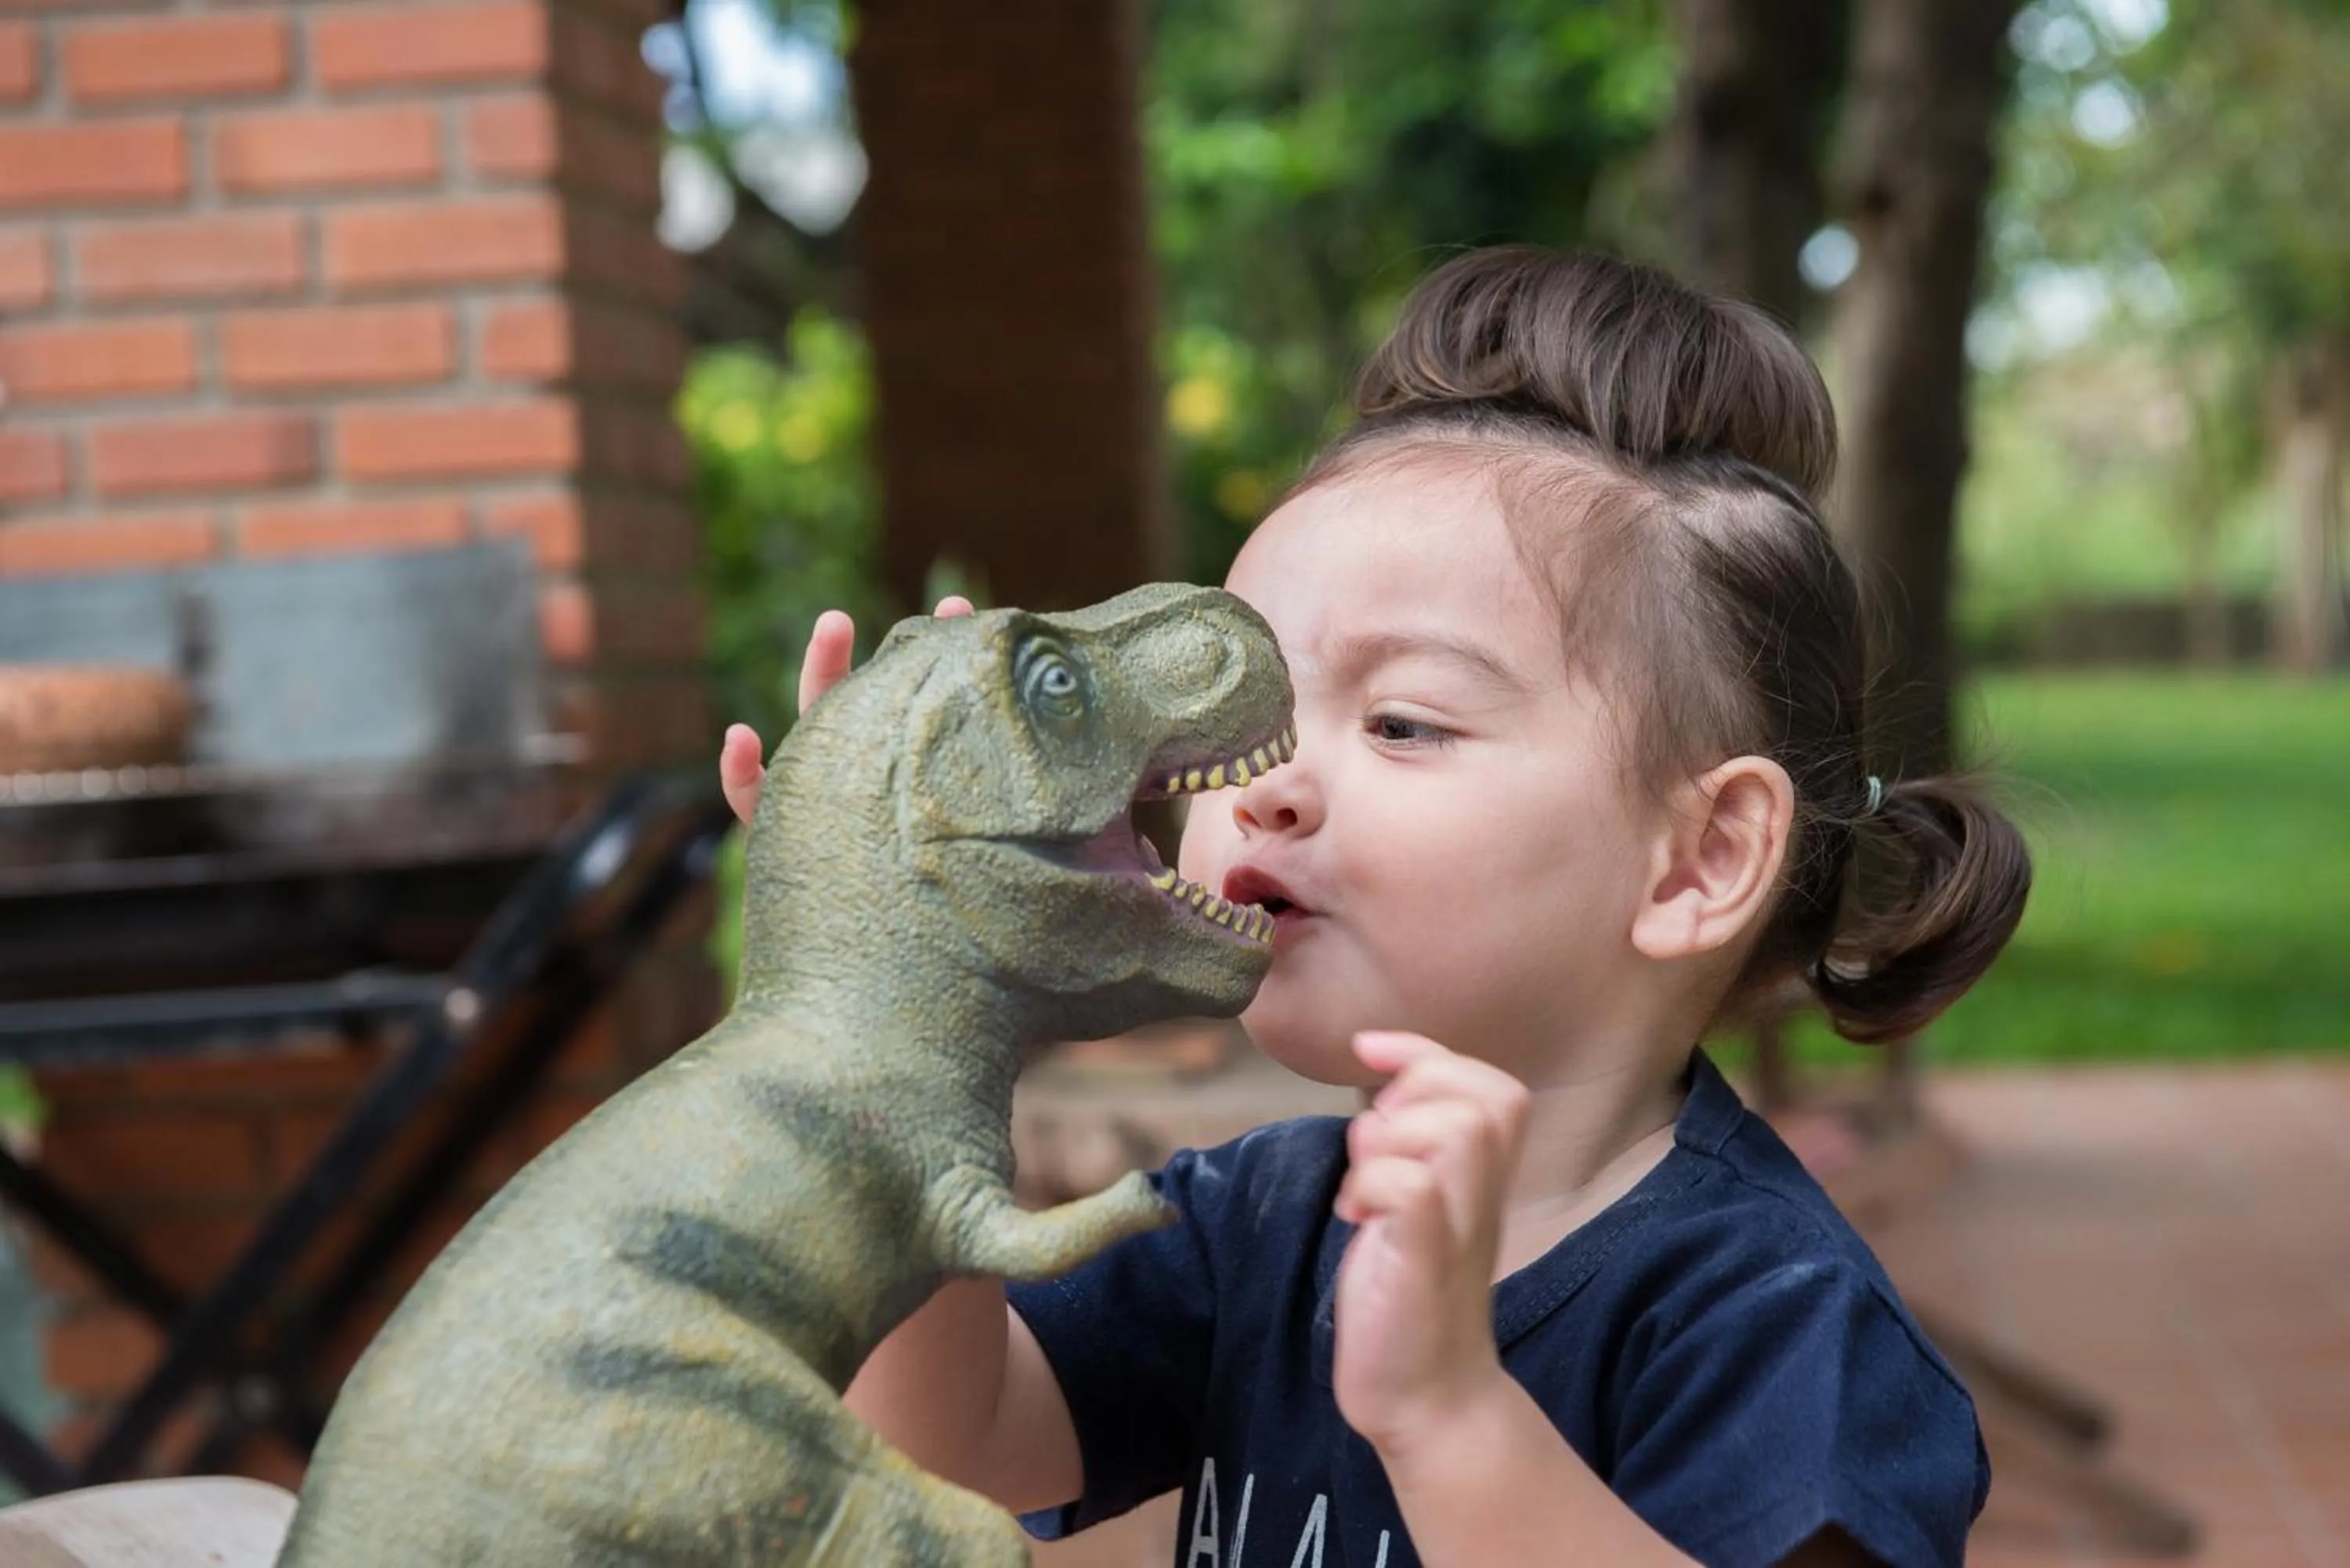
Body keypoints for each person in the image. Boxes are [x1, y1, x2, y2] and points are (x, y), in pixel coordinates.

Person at [716, 247, 2030, 1568]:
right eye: (1247, 715)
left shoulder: (1775, 1319)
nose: (1268, 784)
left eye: (1402, 721)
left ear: (1699, 859)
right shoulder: (1255, 1223)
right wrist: (901, 1005)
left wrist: (1448, 1411)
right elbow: (950, 1439)